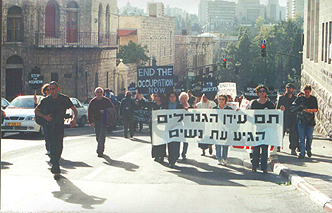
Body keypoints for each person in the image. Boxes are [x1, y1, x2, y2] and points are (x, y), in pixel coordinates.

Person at [35, 81, 78, 180]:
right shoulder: (46, 100)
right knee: (52, 146)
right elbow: (36, 111)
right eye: (50, 89)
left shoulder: (64, 99)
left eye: (53, 89)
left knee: (59, 146)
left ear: (58, 89)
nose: (52, 91)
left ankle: (55, 163)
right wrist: (45, 117)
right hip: (49, 126)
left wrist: (74, 119)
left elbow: (74, 110)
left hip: (59, 126)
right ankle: (56, 167)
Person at [247, 85, 275, 174]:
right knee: (256, 149)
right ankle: (254, 166)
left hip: (266, 129)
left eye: (263, 91)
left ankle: (264, 167)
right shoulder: (254, 103)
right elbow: (249, 114)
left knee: (265, 149)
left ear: (266, 92)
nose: (262, 93)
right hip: (256, 129)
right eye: (260, 91)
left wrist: (281, 110)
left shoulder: (270, 104)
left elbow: (274, 115)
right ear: (257, 93)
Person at [137, 93, 166, 163]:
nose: (154, 97)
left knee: (162, 140)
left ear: (159, 97)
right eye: (154, 96)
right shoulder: (152, 104)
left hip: (162, 124)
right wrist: (139, 94)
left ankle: (162, 155)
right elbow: (143, 103)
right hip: (153, 124)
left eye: (156, 96)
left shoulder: (164, 105)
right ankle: (156, 155)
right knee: (154, 140)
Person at [292, 84, 318, 159]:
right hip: (301, 120)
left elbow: (316, 109)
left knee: (309, 137)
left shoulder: (313, 99)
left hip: (310, 121)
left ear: (310, 92)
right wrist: (300, 109)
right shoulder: (300, 99)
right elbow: (293, 106)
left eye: (308, 92)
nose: (306, 94)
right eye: (305, 92)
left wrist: (310, 110)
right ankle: (302, 152)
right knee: (301, 137)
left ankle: (308, 149)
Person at [88, 87, 114, 157]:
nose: (99, 94)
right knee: (97, 136)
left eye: (100, 92)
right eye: (98, 92)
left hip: (104, 121)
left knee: (101, 136)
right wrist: (90, 121)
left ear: (103, 93)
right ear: (95, 93)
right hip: (96, 121)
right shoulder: (93, 101)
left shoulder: (106, 100)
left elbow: (112, 109)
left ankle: (100, 151)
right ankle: (100, 146)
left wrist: (105, 111)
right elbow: (90, 111)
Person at [276, 83, 298, 155]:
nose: (289, 89)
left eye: (291, 88)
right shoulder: (281, 98)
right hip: (283, 118)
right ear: (286, 89)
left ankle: (293, 149)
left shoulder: (295, 99)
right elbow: (277, 108)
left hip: (292, 118)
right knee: (281, 133)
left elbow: (297, 108)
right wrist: (281, 108)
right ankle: (278, 146)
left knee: (293, 135)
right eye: (288, 88)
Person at [163, 92, 182, 168]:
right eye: (171, 96)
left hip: (177, 127)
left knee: (176, 143)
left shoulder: (180, 106)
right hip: (169, 127)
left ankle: (176, 156)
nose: (172, 98)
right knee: (170, 144)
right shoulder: (166, 106)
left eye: (174, 96)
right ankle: (171, 160)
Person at [213, 94, 233, 165]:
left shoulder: (229, 109)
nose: (221, 101)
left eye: (222, 99)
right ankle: (219, 158)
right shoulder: (214, 109)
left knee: (225, 144)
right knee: (217, 144)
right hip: (217, 129)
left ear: (225, 101)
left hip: (226, 129)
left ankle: (224, 158)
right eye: (219, 99)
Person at [34, 83, 51, 155]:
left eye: (50, 89)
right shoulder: (42, 99)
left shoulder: (54, 98)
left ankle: (54, 149)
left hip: (53, 119)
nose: (49, 91)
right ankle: (48, 149)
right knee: (47, 135)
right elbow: (37, 108)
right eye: (47, 90)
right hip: (45, 119)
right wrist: (35, 101)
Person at [178, 92, 192, 160]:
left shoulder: (190, 106)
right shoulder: (177, 106)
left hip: (187, 126)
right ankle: (177, 154)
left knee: (186, 141)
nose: (184, 99)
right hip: (178, 125)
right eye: (182, 98)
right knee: (178, 140)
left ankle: (184, 153)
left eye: (185, 98)